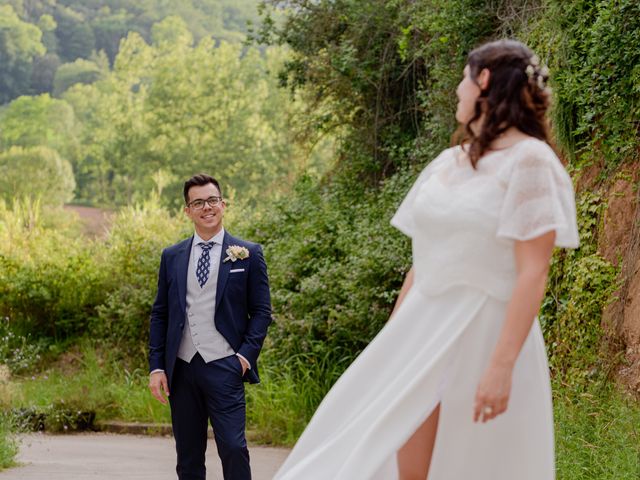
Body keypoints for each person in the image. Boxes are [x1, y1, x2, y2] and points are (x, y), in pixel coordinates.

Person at [273, 39, 579, 480]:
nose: (458, 89)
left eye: (463, 78)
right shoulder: (446, 163)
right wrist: (392, 344)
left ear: (484, 81)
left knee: (471, 463)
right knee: (372, 451)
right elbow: (422, 261)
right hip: (421, 329)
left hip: (486, 331)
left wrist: (501, 366)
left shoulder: (531, 161)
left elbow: (533, 271)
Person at [148, 174, 272, 480]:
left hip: (226, 366)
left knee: (232, 447)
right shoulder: (172, 256)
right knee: (188, 456)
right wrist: (156, 366)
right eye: (198, 202)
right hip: (182, 367)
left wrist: (243, 358)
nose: (207, 207)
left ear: (223, 205)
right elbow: (160, 313)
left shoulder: (248, 253)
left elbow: (261, 312)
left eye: (212, 200)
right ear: (187, 211)